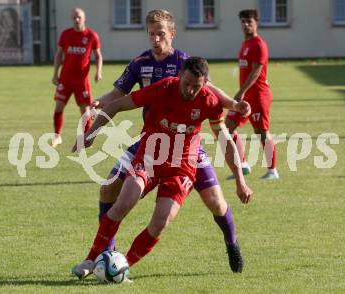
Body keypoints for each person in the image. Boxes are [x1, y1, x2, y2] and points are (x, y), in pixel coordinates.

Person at [71, 9, 250, 279]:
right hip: (152, 142)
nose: (156, 39)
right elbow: (119, 98)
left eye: (161, 34)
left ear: (172, 34)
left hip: (188, 151)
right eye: (151, 34)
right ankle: (100, 255)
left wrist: (234, 105)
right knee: (111, 193)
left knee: (214, 202)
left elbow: (213, 97)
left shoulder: (186, 64)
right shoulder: (147, 69)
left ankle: (231, 242)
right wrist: (97, 115)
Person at [226, 9, 279, 180]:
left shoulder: (259, 44)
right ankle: (242, 164)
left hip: (258, 95)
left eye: (249, 21)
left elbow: (256, 72)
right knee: (227, 127)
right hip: (246, 96)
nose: (246, 24)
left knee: (261, 132)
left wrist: (241, 92)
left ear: (257, 22)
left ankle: (273, 171)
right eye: (243, 21)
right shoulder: (245, 44)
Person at [50, 7, 103, 147]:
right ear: (71, 19)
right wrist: (55, 74)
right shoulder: (65, 35)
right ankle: (57, 136)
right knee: (58, 107)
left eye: (79, 17)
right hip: (65, 78)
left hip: (81, 81)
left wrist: (99, 72)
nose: (77, 19)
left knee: (85, 112)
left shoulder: (92, 35)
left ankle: (86, 139)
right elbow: (59, 54)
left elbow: (98, 55)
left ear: (84, 18)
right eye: (74, 17)